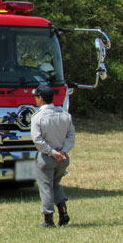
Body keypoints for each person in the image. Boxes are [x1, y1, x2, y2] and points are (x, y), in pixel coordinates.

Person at [31, 84, 76, 227]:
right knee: (56, 184)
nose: (36, 99)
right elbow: (71, 136)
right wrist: (63, 151)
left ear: (41, 98)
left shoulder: (38, 117)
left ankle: (48, 219)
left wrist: (52, 152)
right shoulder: (64, 115)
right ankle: (63, 212)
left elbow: (38, 140)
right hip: (62, 158)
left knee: (45, 186)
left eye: (37, 96)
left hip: (46, 157)